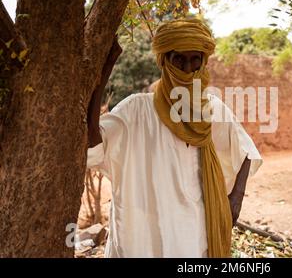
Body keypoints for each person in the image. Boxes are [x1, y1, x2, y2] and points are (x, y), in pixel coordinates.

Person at [86, 18, 262, 258]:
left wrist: (235, 200)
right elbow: (93, 145)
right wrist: (102, 74)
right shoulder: (136, 111)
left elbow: (246, 152)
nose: (187, 69)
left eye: (194, 59)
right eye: (178, 59)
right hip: (144, 237)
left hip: (195, 233)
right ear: (164, 61)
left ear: (203, 62)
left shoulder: (213, 110)